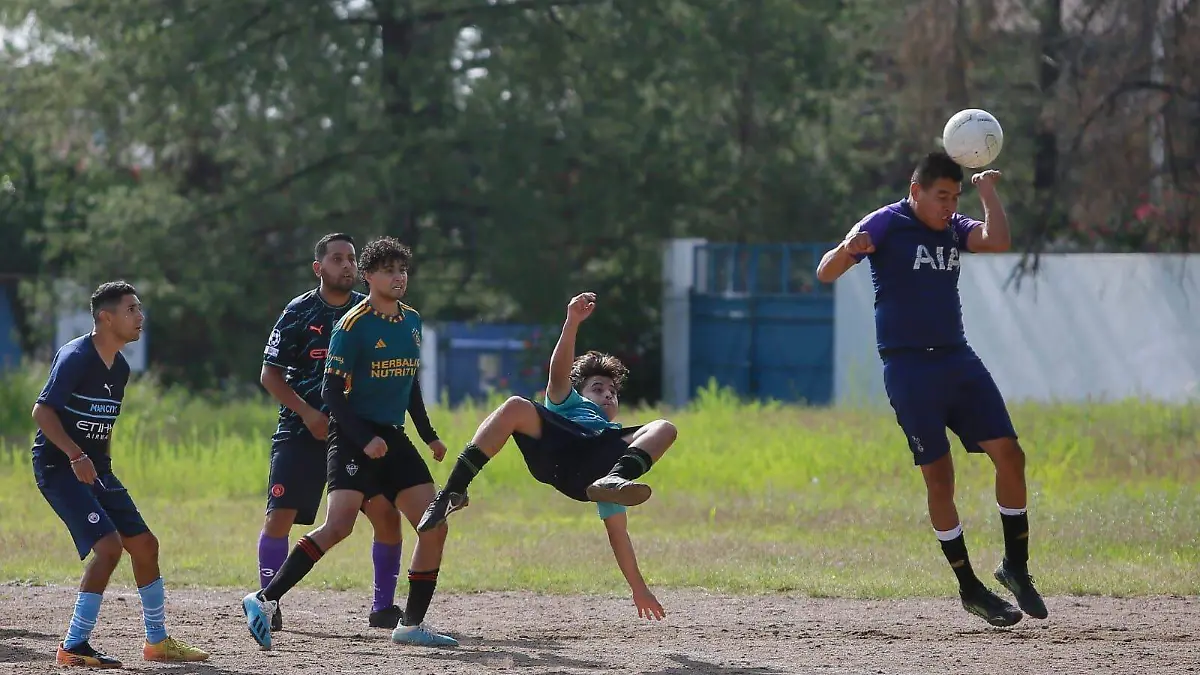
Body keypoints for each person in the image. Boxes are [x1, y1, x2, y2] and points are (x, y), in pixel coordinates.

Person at [814, 151, 1046, 627]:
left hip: (957, 358)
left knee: (1011, 454)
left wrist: (987, 195)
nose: (948, 206)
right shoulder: (884, 223)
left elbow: (996, 240)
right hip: (909, 369)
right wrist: (848, 251)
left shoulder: (952, 226)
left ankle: (1016, 568)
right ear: (915, 191)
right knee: (940, 480)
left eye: (954, 197)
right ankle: (969, 587)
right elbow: (825, 272)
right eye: (941, 197)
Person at [242, 236, 456, 650]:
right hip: (352, 435)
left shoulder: (411, 321)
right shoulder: (351, 324)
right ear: (370, 276)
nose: (398, 277)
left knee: (433, 525)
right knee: (338, 526)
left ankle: (408, 622)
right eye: (389, 270)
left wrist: (428, 434)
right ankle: (265, 598)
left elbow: (410, 383)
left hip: (391, 438)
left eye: (403, 270)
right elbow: (332, 392)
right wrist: (363, 438)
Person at [419, 292, 678, 620]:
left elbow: (618, 533)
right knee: (515, 406)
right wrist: (572, 323)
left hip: (593, 473)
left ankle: (617, 478)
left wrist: (638, 587)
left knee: (665, 427)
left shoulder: (616, 441)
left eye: (613, 392)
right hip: (558, 449)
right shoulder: (566, 403)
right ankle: (452, 491)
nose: (608, 394)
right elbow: (558, 375)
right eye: (598, 387)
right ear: (579, 391)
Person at [31, 281, 210, 668]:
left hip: (95, 467)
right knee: (109, 547)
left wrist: (100, 467)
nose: (139, 317)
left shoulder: (122, 367)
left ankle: (157, 643)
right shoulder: (76, 356)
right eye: (131, 310)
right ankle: (73, 646)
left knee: (145, 545)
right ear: (105, 318)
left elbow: (104, 426)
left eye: (139, 309)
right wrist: (77, 455)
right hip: (58, 465)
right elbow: (42, 413)